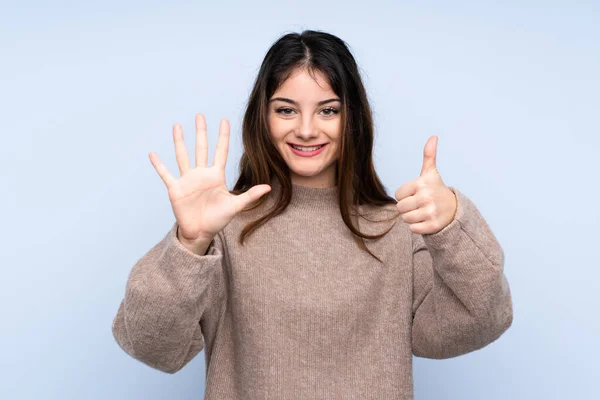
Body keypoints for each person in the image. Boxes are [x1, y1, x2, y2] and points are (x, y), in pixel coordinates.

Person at [111, 30, 513, 399]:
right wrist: (190, 243)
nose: (306, 129)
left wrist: (454, 225)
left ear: (353, 117)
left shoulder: (398, 231)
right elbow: (151, 345)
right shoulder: (223, 230)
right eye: (286, 110)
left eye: (328, 110)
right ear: (263, 118)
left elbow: (480, 321)